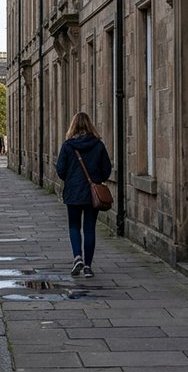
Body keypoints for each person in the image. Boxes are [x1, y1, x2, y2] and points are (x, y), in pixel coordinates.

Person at [53, 112, 112, 278]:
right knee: (89, 229)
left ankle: (77, 256)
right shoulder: (98, 145)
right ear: (89, 125)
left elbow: (61, 170)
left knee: (73, 226)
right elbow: (106, 169)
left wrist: (71, 179)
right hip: (93, 194)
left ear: (73, 126)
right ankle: (88, 267)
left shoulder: (68, 146)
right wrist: (97, 180)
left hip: (73, 193)